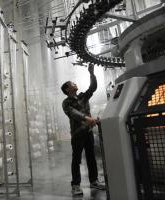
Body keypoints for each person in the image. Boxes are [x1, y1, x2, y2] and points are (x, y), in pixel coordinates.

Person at [61, 63, 104, 196]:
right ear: (68, 89)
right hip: (78, 134)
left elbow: (93, 87)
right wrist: (87, 119)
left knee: (91, 157)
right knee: (77, 160)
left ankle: (94, 181)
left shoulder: (83, 97)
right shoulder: (66, 102)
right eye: (72, 83)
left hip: (88, 132)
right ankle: (75, 185)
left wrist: (91, 73)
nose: (75, 83)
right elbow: (73, 113)